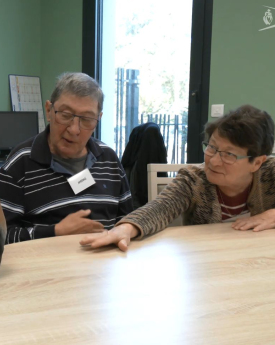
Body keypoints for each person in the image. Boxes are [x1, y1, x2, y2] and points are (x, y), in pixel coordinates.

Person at [80, 105, 275, 251]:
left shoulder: (270, 172)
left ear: (257, 162)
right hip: (208, 263)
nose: (214, 161)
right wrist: (125, 229)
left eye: (229, 155)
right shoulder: (193, 180)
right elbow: (160, 208)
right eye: (212, 147)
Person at [0, 72, 132, 243]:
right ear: (49, 111)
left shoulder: (109, 159)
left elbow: (127, 221)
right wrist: (55, 231)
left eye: (87, 119)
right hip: (47, 266)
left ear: (98, 119)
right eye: (66, 115)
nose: (74, 129)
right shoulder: (20, 162)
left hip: (103, 264)